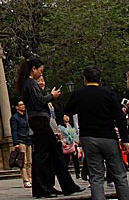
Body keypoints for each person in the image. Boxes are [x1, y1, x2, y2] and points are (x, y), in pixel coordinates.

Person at [16, 57, 82, 198]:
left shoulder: (28, 84)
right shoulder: (30, 84)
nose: (41, 74)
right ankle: (43, 188)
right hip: (39, 120)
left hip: (40, 120)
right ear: (34, 69)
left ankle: (62, 186)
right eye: (40, 71)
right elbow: (39, 101)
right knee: (43, 155)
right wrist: (52, 96)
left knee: (53, 154)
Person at [64, 66, 129, 200]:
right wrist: (125, 139)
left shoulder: (78, 94)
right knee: (119, 174)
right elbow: (120, 118)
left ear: (85, 79)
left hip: (88, 137)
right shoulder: (108, 94)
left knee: (96, 175)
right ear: (100, 79)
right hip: (108, 136)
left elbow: (67, 110)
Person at [10, 99, 33, 188]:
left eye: (23, 104)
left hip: (28, 139)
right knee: (23, 161)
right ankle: (26, 180)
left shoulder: (27, 116)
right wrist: (16, 143)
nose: (23, 106)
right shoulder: (14, 118)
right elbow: (14, 131)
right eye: (21, 105)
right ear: (17, 107)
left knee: (30, 161)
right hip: (21, 140)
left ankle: (30, 178)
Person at [59, 115, 80, 179]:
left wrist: (76, 142)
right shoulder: (60, 127)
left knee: (75, 159)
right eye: (65, 116)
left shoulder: (71, 126)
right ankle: (65, 172)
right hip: (65, 143)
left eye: (68, 116)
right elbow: (59, 135)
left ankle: (78, 173)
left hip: (72, 143)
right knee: (66, 159)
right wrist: (62, 142)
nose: (67, 118)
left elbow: (74, 134)